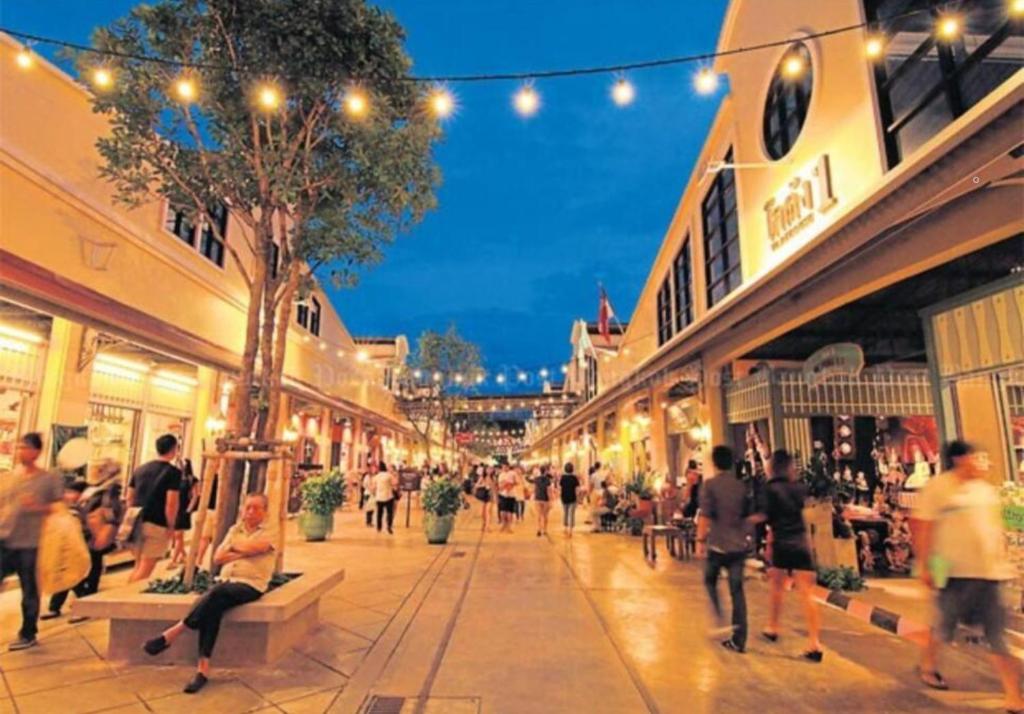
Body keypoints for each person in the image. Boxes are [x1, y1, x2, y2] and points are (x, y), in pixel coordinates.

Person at [913, 441, 1023, 711]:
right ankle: (928, 665)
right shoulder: (939, 488)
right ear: (960, 459)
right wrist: (925, 566)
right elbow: (923, 527)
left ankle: (1013, 695)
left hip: (990, 575)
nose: (985, 463)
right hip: (955, 575)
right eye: (978, 457)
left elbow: (995, 530)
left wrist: (1005, 561)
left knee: (997, 634)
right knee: (944, 626)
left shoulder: (986, 491)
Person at [143, 493, 276, 694]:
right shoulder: (235, 529)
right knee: (213, 607)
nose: (250, 512)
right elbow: (218, 557)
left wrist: (234, 547)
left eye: (256, 508)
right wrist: (244, 551)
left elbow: (260, 546)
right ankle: (202, 670)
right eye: (247, 507)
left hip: (251, 585)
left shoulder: (270, 530)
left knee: (215, 594)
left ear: (264, 512)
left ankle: (173, 633)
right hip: (225, 582)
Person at [752, 449, 823, 661]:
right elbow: (804, 516)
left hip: (782, 542)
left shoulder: (770, 489)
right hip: (800, 542)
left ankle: (773, 627)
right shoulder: (799, 488)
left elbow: (765, 517)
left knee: (777, 587)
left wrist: (745, 523)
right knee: (807, 593)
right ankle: (814, 643)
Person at [0, 433, 63, 650]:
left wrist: (37, 507)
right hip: (4, 539)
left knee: (29, 589)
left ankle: (28, 632)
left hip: (31, 543)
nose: (20, 451)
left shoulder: (48, 479)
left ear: (37, 451)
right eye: (19, 447)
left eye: (25, 447)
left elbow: (59, 508)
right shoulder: (8, 477)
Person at [42, 463, 124, 623]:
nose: (93, 472)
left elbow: (111, 516)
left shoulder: (109, 491)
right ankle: (60, 605)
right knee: (73, 567)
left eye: (97, 469)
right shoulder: (95, 489)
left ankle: (85, 605)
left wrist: (105, 535)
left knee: (86, 570)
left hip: (93, 536)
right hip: (83, 533)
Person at [696, 445, 749, 654]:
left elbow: (705, 515)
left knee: (710, 580)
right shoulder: (740, 486)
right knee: (737, 591)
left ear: (714, 463)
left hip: (718, 545)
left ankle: (720, 619)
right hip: (738, 546)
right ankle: (739, 639)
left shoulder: (710, 485)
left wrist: (700, 541)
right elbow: (747, 516)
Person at [126, 434, 182, 583]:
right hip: (157, 523)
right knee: (145, 569)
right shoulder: (173, 473)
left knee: (138, 565)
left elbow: (129, 497)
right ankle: (126, 595)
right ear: (174, 449)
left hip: (137, 521)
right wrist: (171, 525)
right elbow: (171, 503)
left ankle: (126, 592)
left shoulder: (140, 469)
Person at [170, 459, 198, 567]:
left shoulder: (192, 479)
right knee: (177, 536)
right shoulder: (174, 478)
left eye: (181, 463)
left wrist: (189, 509)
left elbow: (195, 495)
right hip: (175, 508)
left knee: (178, 535)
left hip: (183, 509)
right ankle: (184, 555)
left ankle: (174, 560)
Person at [373, 462, 397, 534]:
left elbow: (373, 487)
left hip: (379, 497)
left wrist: (375, 493)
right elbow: (395, 483)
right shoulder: (389, 476)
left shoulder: (376, 477)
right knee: (389, 513)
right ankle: (389, 527)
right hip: (388, 496)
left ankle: (379, 527)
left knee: (379, 513)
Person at [531, 465, 554, 537]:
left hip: (538, 498)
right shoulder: (548, 480)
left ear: (540, 471)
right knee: (545, 515)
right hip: (545, 499)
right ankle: (545, 530)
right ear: (545, 471)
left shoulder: (536, 479)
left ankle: (539, 529)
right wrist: (551, 500)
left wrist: (534, 496)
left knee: (539, 515)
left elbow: (534, 489)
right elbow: (548, 490)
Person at [559, 463, 580, 538]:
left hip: (564, 497)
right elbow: (577, 489)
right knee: (572, 514)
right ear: (572, 469)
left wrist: (560, 495)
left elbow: (560, 488)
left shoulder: (563, 477)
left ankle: (565, 528)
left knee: (565, 513)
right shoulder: (574, 478)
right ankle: (570, 531)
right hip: (572, 498)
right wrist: (578, 498)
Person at [497, 466, 517, 533]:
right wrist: (504, 485)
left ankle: (509, 527)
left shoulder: (513, 473)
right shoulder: (501, 475)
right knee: (502, 511)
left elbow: (517, 482)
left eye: (506, 467)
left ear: (508, 467)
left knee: (510, 511)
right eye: (503, 467)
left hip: (511, 495)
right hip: (503, 495)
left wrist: (511, 484)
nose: (505, 468)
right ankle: (503, 525)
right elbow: (499, 485)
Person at [475, 468, 494, 532]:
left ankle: (487, 526)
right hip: (483, 495)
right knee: (483, 513)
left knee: (488, 511)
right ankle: (484, 524)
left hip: (490, 495)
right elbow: (476, 485)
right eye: (488, 469)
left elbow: (494, 488)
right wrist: (483, 485)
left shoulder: (493, 478)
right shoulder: (482, 477)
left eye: (491, 470)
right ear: (485, 470)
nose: (489, 471)